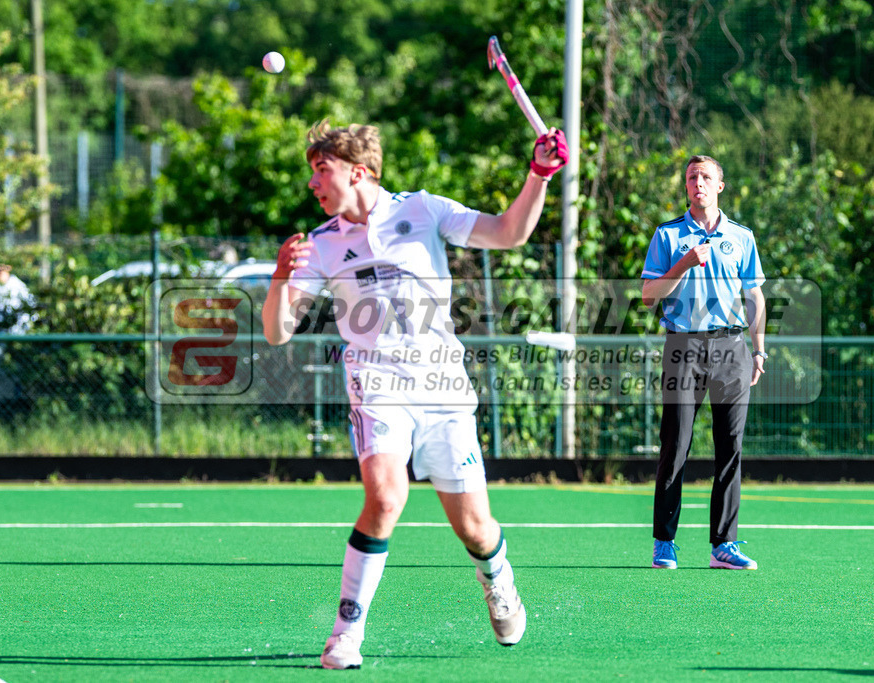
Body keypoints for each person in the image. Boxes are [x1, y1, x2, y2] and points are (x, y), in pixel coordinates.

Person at [262, 120, 568, 669]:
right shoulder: (324, 244)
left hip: (444, 389)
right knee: (384, 498)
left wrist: (539, 174)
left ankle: (498, 578)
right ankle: (346, 634)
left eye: (321, 170)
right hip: (376, 386)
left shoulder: (423, 209)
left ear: (358, 171)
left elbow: (508, 232)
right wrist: (281, 277)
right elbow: (279, 331)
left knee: (475, 529)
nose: (313, 183)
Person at [640, 155, 767, 571]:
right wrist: (686, 261)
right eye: (692, 177)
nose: (699, 183)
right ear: (686, 185)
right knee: (675, 445)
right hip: (683, 347)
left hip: (732, 349)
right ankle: (664, 542)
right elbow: (648, 295)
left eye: (706, 177)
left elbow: (754, 297)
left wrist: (759, 349)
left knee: (731, 449)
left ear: (720, 186)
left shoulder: (742, 237)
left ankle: (723, 545)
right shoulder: (668, 235)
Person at [0, 264, 36, 334]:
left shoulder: (16, 283)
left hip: (16, 319)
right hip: (0, 319)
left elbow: (29, 301)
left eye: (2, 269)